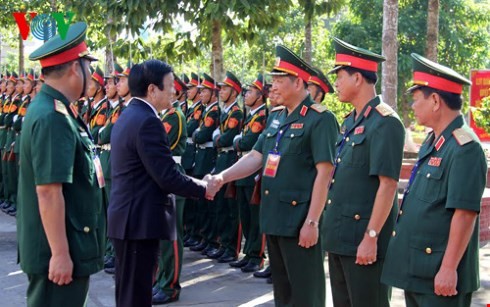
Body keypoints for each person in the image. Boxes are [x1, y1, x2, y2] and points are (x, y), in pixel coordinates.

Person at [209, 45, 339, 306]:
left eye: (279, 81)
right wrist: (223, 177)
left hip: (300, 221)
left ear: (298, 82)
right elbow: (256, 157)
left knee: (305, 295)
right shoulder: (277, 117)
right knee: (283, 293)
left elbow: (325, 173)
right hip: (275, 218)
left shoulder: (320, 119)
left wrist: (312, 222)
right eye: (272, 82)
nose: (273, 88)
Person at [108, 59, 218, 307]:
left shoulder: (129, 115)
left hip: (127, 220)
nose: (174, 91)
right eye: (169, 85)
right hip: (138, 224)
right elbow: (166, 175)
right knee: (135, 298)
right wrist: (204, 187)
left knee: (128, 295)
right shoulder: (148, 121)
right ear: (151, 89)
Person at [381, 53, 487, 307]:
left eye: (417, 99)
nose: (413, 106)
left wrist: (449, 268)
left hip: (440, 273)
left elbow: (464, 214)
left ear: (436, 101)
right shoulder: (434, 142)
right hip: (419, 270)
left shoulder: (465, 147)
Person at [17, 22, 103, 307]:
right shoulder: (53, 116)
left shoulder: (56, 109)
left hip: (65, 243)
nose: (91, 75)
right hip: (59, 251)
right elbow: (49, 191)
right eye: (88, 66)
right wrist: (60, 253)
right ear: (73, 68)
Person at [322, 37, 405, 307]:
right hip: (340, 239)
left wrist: (371, 237)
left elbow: (388, 185)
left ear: (358, 78)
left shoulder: (385, 123)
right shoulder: (350, 122)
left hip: (364, 243)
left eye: (340, 76)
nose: (336, 83)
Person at [152, 73, 189, 305]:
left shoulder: (175, 116)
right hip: (160, 174)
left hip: (171, 174)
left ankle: (171, 286)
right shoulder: (159, 115)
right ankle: (161, 280)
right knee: (160, 236)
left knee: (171, 236)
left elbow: (160, 144)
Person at [229, 72, 268, 273]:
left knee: (255, 217)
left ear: (260, 95)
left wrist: (236, 142)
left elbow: (246, 142)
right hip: (244, 167)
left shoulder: (262, 116)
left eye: (250, 92)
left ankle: (257, 256)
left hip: (253, 170)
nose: (245, 95)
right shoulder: (251, 115)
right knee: (245, 214)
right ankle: (249, 254)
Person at [208, 71, 244, 263]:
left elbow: (226, 139)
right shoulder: (225, 112)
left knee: (232, 209)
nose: (221, 92)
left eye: (225, 89)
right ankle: (223, 245)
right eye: (221, 89)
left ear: (234, 92)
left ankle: (232, 248)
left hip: (230, 160)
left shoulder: (236, 113)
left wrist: (216, 138)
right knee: (220, 206)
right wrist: (217, 139)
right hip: (221, 159)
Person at [189, 73, 220, 254]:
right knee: (200, 204)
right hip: (200, 158)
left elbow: (200, 135)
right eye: (199, 91)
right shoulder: (206, 110)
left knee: (212, 207)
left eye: (204, 91)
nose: (201, 94)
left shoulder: (214, 111)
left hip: (208, 159)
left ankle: (212, 240)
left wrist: (198, 134)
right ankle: (203, 237)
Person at [182, 72, 204, 248]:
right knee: (190, 201)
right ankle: (190, 232)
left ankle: (197, 234)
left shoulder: (199, 110)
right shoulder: (191, 109)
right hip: (189, 156)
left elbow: (190, 130)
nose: (187, 91)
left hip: (196, 156)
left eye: (191, 88)